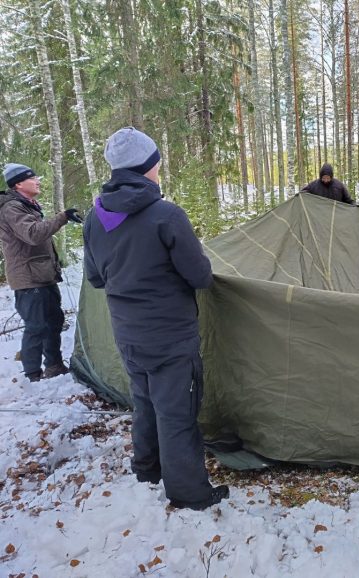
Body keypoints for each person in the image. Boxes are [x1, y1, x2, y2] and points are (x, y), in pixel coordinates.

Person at [83, 127, 228, 511]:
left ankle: (146, 470)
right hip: (170, 337)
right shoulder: (166, 215)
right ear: (150, 165)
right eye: (157, 161)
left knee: (145, 403)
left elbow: (96, 277)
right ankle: (190, 494)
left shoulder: (95, 218)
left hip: (128, 334)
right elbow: (200, 276)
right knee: (177, 413)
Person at [0, 164, 82, 382]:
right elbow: (33, 234)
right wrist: (62, 217)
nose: (38, 180)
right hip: (28, 279)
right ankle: (32, 376)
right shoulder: (12, 208)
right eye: (32, 178)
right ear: (18, 183)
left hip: (42, 275)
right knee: (36, 326)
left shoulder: (28, 206)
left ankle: (54, 366)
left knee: (54, 320)